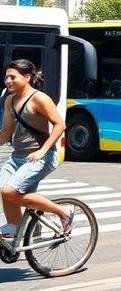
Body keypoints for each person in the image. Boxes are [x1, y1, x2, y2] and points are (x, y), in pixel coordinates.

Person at [0, 60, 72, 238]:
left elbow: (60, 125)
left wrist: (42, 151)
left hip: (41, 157)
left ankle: (63, 212)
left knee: (9, 191)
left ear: (27, 77)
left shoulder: (39, 98)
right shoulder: (10, 100)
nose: (8, 81)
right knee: (4, 189)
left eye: (12, 77)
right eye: (6, 76)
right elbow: (7, 131)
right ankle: (16, 227)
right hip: (17, 157)